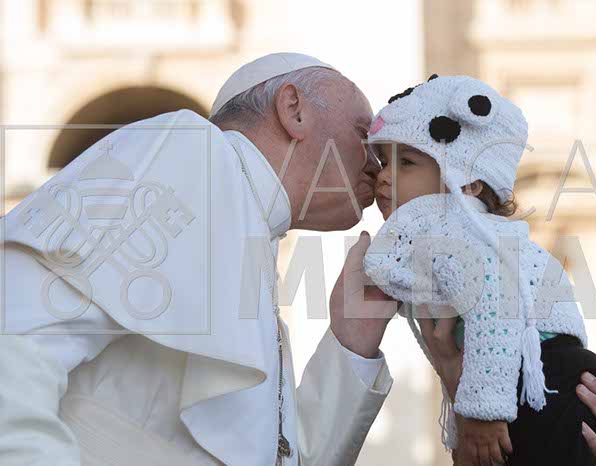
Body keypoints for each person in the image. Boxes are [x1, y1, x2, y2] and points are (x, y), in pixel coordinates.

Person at [0, 53, 395, 466]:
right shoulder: (186, 150)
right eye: (363, 136)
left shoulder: (252, 236)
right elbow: (13, 342)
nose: (377, 167)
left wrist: (353, 341)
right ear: (293, 109)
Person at [362, 74, 596, 466]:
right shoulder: (446, 232)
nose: (384, 175)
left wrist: (482, 413)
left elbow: (498, 306)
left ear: (469, 184)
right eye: (384, 161)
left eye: (407, 162)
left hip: (545, 380)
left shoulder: (457, 232)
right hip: (527, 379)